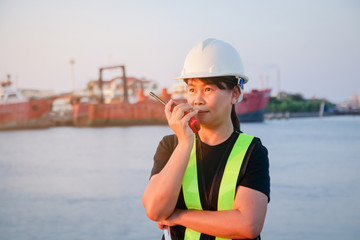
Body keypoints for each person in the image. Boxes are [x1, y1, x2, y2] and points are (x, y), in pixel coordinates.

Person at [143, 38, 270, 240]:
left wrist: (178, 216)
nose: (197, 99)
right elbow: (155, 210)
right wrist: (185, 143)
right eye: (192, 89)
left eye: (208, 89)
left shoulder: (252, 151)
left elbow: (248, 225)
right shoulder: (170, 145)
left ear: (234, 94)